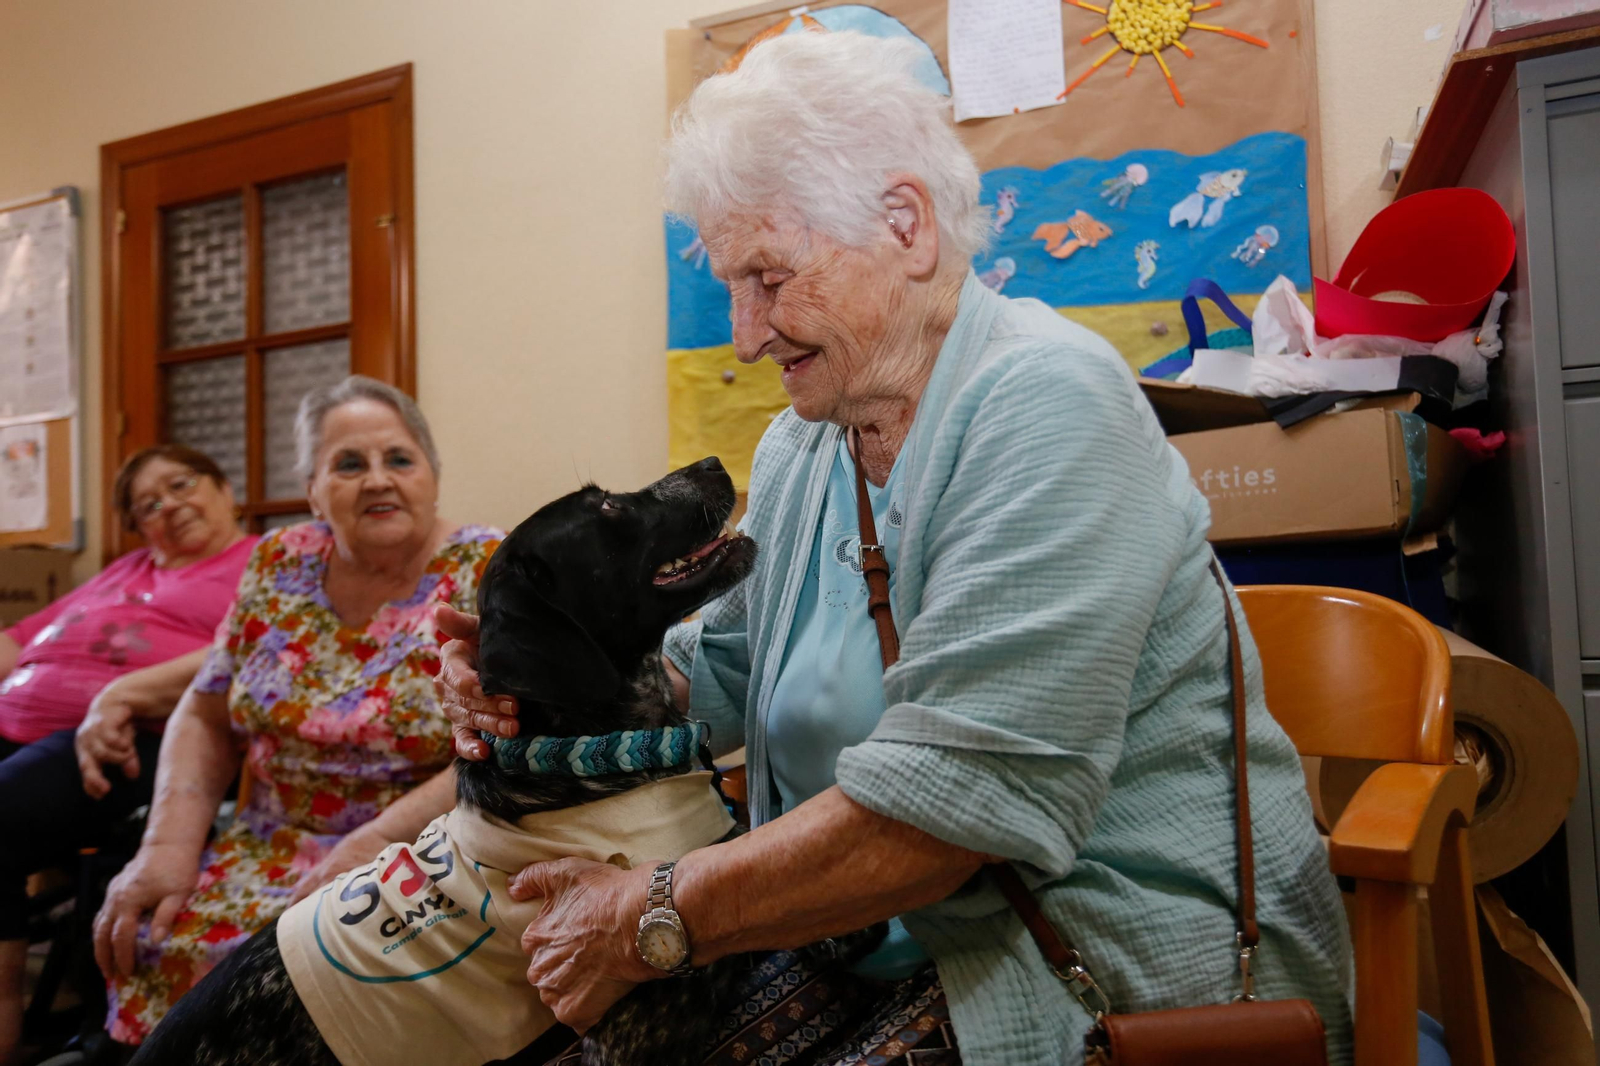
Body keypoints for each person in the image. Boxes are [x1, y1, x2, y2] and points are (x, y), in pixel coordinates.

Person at [437, 31, 1354, 1066]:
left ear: (906, 226)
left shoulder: (1048, 403)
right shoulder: (800, 445)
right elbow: (723, 673)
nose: (744, 335)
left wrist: (646, 915)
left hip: (1098, 964)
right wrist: (527, 674)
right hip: (865, 943)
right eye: (729, 286)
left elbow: (952, 807)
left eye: (768, 279)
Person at [91, 376, 502, 1047]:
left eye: (399, 460)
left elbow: (506, 741)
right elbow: (204, 712)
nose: (377, 481)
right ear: (312, 489)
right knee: (154, 926)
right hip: (266, 845)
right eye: (347, 464)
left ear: (432, 477)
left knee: (326, 977)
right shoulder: (279, 561)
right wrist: (165, 849)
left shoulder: (488, 566)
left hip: (422, 851)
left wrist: (370, 844)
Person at [0, 445, 255, 1063]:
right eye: (149, 504)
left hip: (132, 734)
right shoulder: (124, 572)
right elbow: (17, 638)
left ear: (226, 490)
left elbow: (253, 643)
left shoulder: (263, 563)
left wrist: (120, 694)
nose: (169, 505)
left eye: (182, 483)